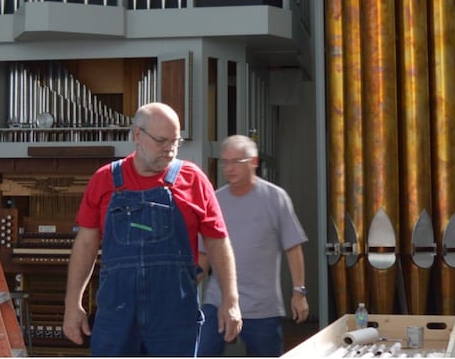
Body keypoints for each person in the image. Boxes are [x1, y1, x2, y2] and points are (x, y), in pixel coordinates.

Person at [62, 102, 243, 356]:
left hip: (174, 318)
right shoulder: (104, 180)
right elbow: (85, 244)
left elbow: (218, 241)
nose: (169, 150)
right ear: (137, 135)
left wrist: (231, 300)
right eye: (161, 141)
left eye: (175, 142)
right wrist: (73, 304)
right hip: (117, 317)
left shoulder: (193, 180)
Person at [197, 134, 309, 357]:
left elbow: (293, 247)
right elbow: (204, 253)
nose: (229, 168)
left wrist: (299, 292)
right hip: (218, 301)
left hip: (262, 306)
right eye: (225, 162)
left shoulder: (275, 198)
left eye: (237, 161)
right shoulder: (214, 201)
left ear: (254, 162)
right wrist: (186, 287)